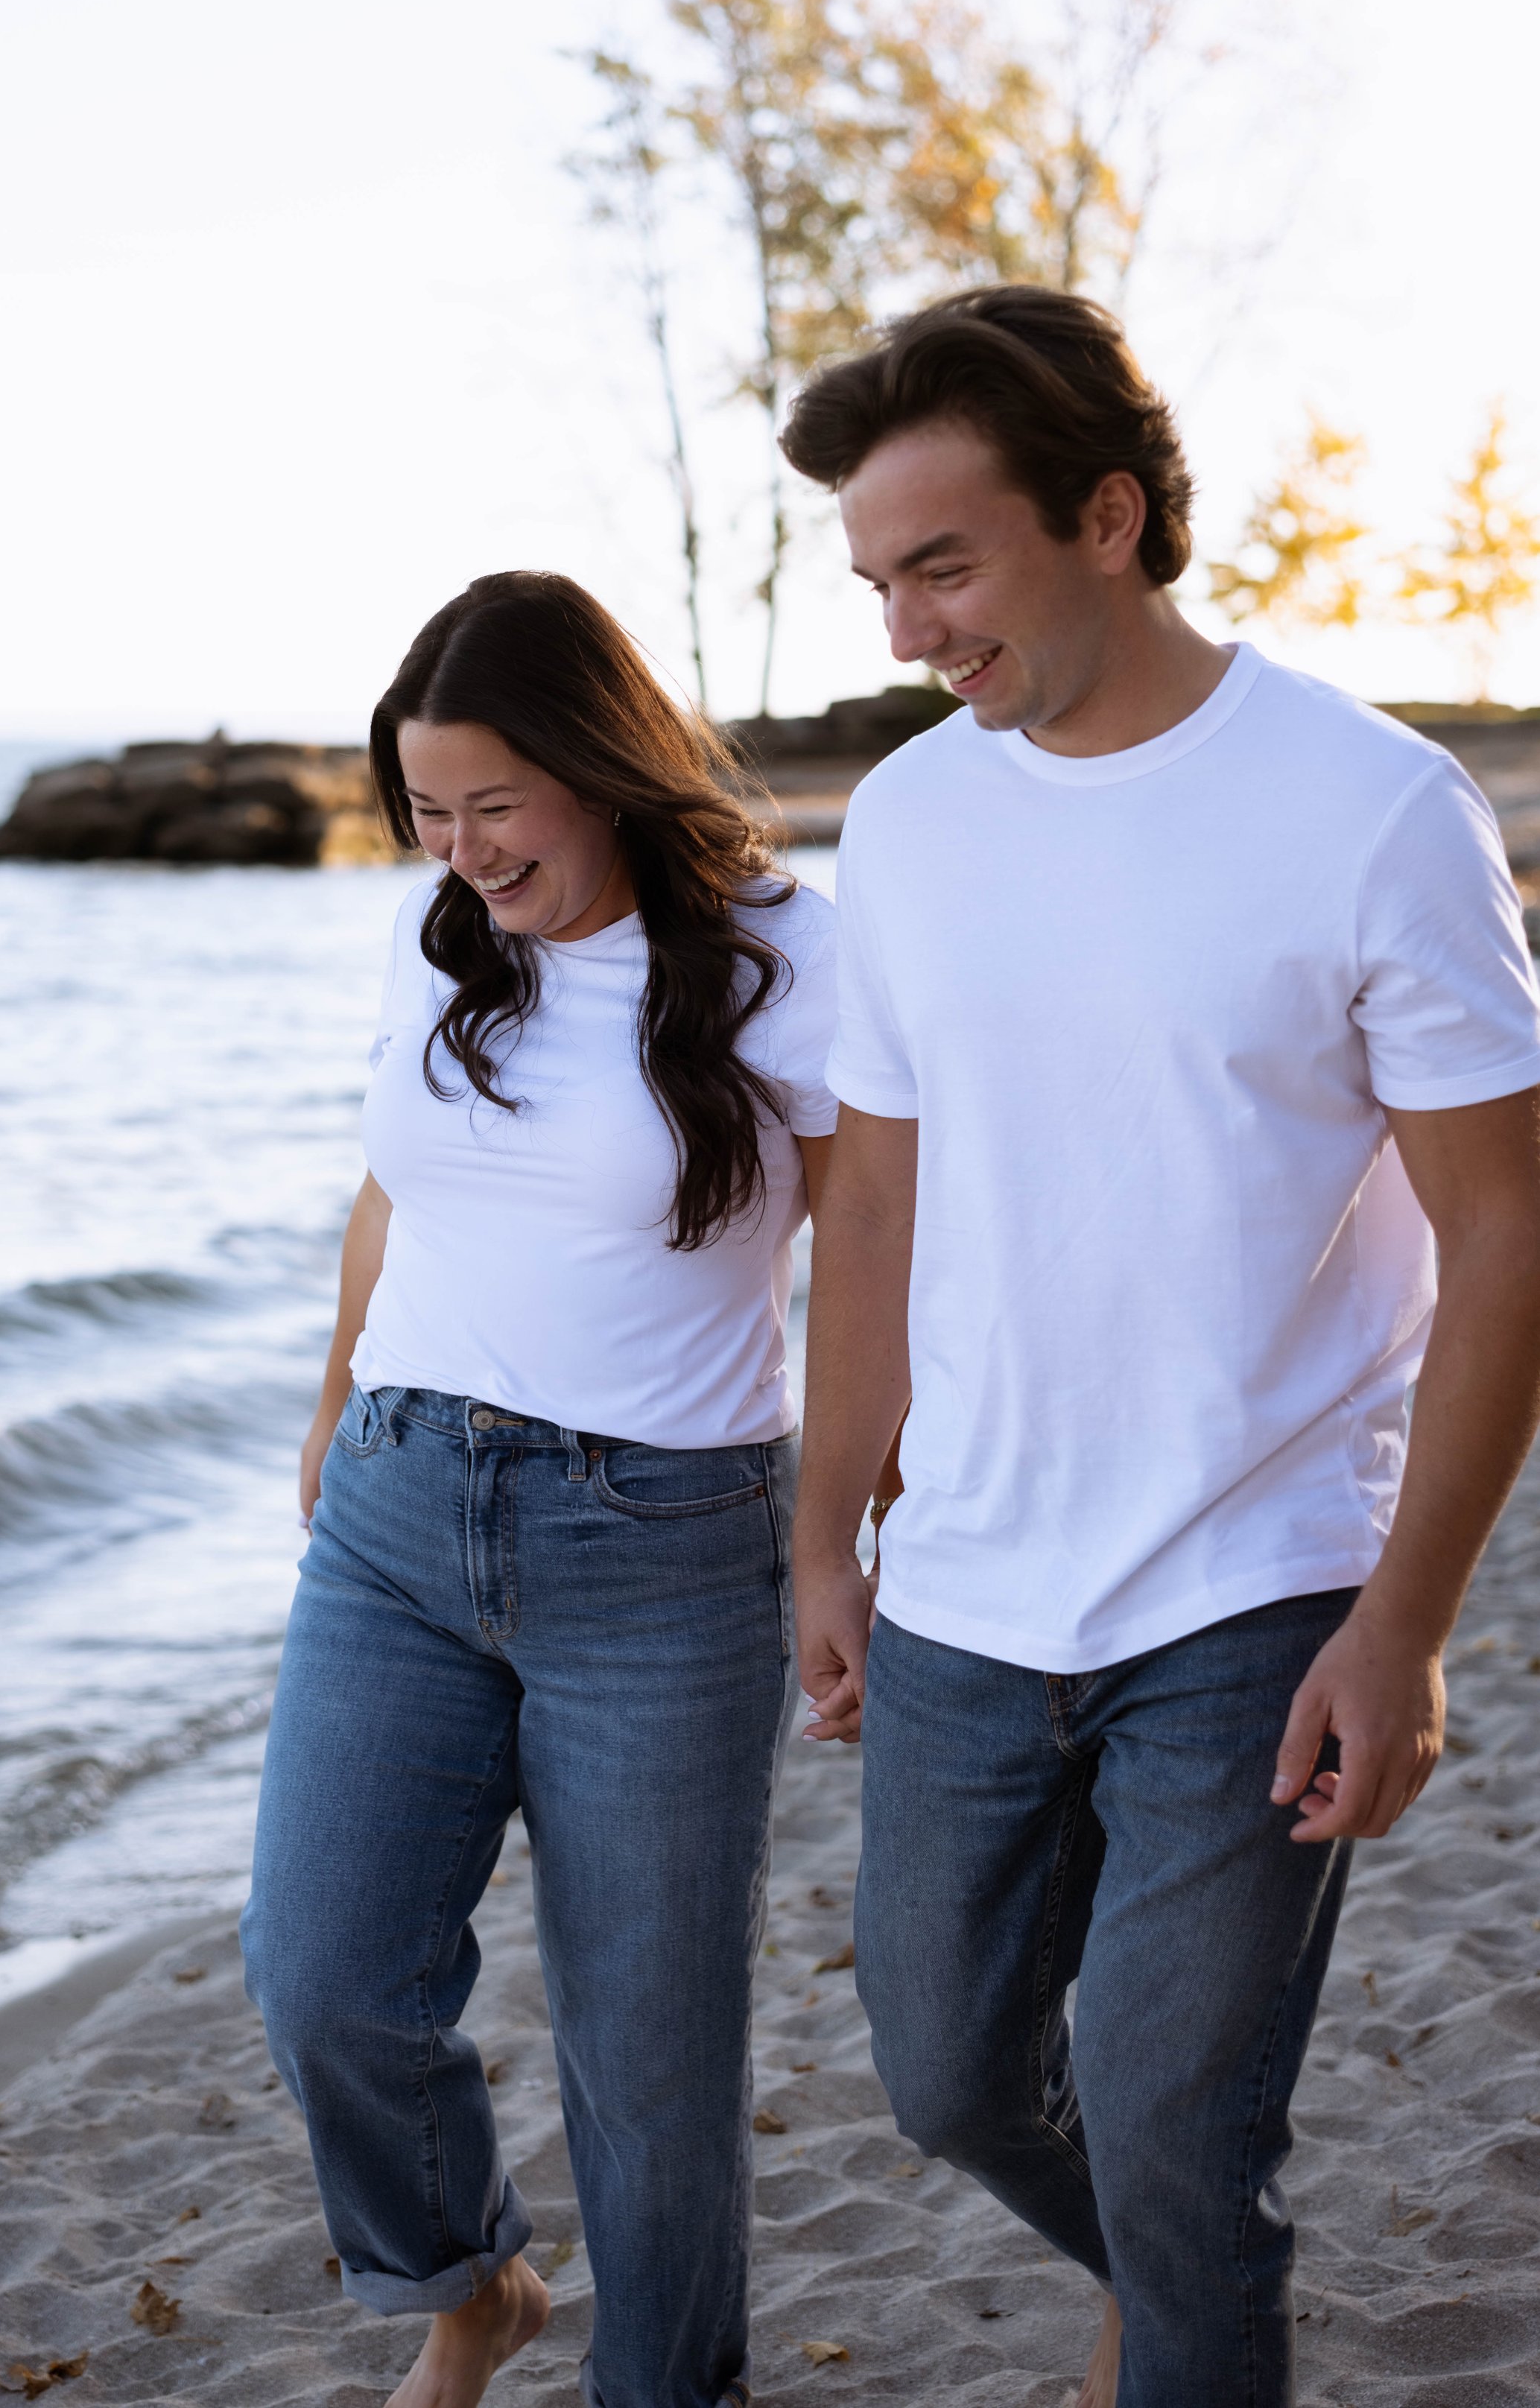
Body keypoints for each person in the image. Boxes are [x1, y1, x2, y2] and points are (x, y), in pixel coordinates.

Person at [780, 288, 1540, 2408]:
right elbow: (871, 1199)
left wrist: (1404, 1625)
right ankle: (1186, 2284)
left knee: (1182, 2144)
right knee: (941, 2078)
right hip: (966, 1584)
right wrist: (823, 1529)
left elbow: (1505, 1228)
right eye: (874, 580)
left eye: (943, 564)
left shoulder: (1373, 809)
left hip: (1255, 1575)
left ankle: (1189, 2287)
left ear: (1105, 516)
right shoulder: (914, 821)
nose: (907, 628)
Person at [241, 571, 839, 2408]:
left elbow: (893, 1248)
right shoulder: (462, 934)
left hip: (659, 1550)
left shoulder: (791, 954)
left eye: (492, 806)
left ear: (600, 765)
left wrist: (848, 1530)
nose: (459, 850)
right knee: (320, 1973)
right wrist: (337, 1398)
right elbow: (396, 1187)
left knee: (649, 2060)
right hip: (398, 1517)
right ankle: (466, 2282)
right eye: (425, 814)